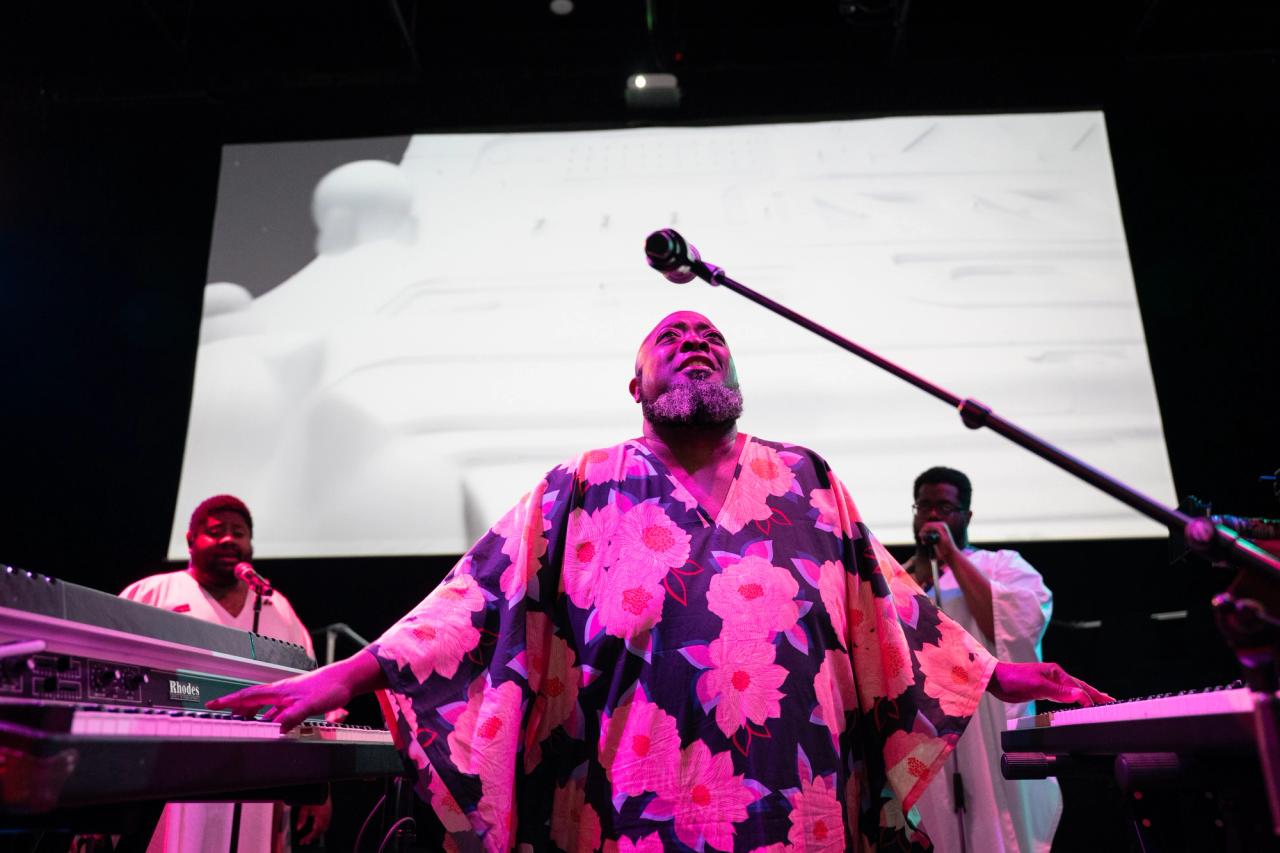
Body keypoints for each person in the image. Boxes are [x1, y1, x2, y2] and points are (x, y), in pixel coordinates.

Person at [211, 311, 1109, 851]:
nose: (694, 343)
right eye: (672, 338)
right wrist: (344, 672)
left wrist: (999, 673)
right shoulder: (581, 485)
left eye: (709, 338)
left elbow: (893, 613)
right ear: (634, 382)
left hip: (801, 812)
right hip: (631, 808)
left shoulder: (808, 478)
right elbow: (468, 605)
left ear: (735, 379)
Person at [121, 494, 331, 852]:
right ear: (190, 541)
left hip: (260, 783)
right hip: (164, 773)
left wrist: (321, 785)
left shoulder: (275, 606)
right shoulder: (152, 593)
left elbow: (310, 697)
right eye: (216, 531)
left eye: (239, 532)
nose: (229, 540)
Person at [902, 467, 1061, 853]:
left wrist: (952, 557)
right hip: (927, 737)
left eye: (945, 507)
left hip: (988, 729)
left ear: (967, 516)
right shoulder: (900, 580)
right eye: (923, 506)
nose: (932, 516)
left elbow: (1006, 629)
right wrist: (916, 580)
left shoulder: (1002, 565)